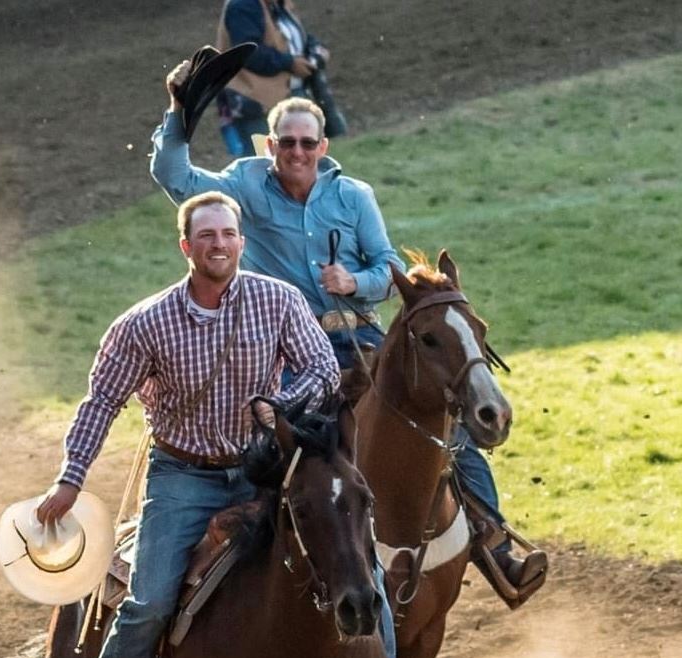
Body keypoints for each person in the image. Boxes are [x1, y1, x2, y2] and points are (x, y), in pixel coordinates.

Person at [35, 191, 417, 658]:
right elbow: (100, 404)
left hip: (260, 470)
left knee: (355, 562)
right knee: (151, 597)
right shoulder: (144, 324)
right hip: (182, 476)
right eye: (206, 236)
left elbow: (320, 371)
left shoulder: (279, 301)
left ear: (242, 241)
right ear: (186, 246)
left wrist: (277, 406)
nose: (219, 244)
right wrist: (69, 480)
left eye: (228, 234)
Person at [151, 84, 550, 603]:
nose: (297, 152)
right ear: (270, 146)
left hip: (357, 334)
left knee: (444, 419)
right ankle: (246, 548)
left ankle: (495, 547)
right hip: (285, 345)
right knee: (275, 434)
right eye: (287, 142)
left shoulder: (353, 196)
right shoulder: (244, 185)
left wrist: (354, 283)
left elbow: (389, 268)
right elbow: (174, 177)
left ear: (323, 147)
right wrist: (180, 115)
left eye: (307, 142)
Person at [214, 0, 346, 159]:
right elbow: (248, 52)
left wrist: (316, 51)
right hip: (255, 103)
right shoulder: (243, 5)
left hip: (287, 98)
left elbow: (297, 36)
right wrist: (289, 63)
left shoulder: (277, 4)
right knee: (262, 168)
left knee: (299, 165)